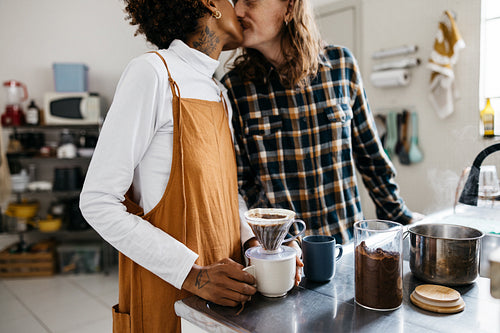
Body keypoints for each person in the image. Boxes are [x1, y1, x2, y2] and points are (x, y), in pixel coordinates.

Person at [79, 0, 259, 331]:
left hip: (224, 295)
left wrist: (253, 242)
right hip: (167, 293)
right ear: (211, 4)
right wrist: (194, 275)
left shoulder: (218, 93)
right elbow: (97, 201)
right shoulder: (152, 72)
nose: (241, 10)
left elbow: (224, 192)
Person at [222, 0, 422, 245]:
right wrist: (277, 239)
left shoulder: (342, 65)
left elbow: (371, 158)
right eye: (237, 1)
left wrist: (403, 220)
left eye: (251, 1)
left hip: (347, 248)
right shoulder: (235, 87)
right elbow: (244, 184)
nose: (239, 11)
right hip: (286, 257)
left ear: (289, 8)